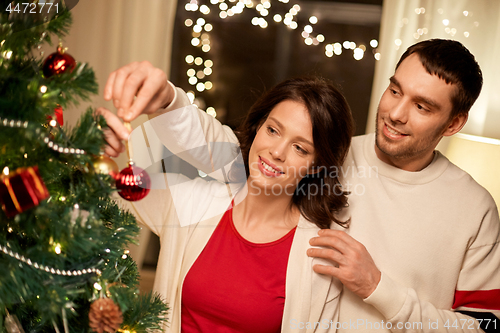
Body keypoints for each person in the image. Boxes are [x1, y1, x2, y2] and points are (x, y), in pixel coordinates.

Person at [102, 38, 500, 332]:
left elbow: (484, 328)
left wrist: (379, 288)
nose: (395, 113)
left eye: (421, 105)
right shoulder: (331, 153)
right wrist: (169, 100)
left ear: (453, 123)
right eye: (395, 90)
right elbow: (218, 149)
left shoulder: (473, 209)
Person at [100, 76, 355, 332]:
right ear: (258, 128)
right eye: (273, 130)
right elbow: (110, 196)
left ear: (316, 166)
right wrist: (98, 149)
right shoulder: (197, 198)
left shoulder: (318, 256)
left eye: (300, 148)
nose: (277, 152)